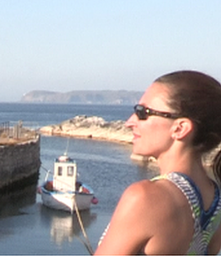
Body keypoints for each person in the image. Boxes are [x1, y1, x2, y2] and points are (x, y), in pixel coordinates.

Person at [95, 70, 221, 255]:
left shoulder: (145, 198)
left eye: (143, 113)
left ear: (180, 128)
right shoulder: (215, 203)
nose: (130, 122)